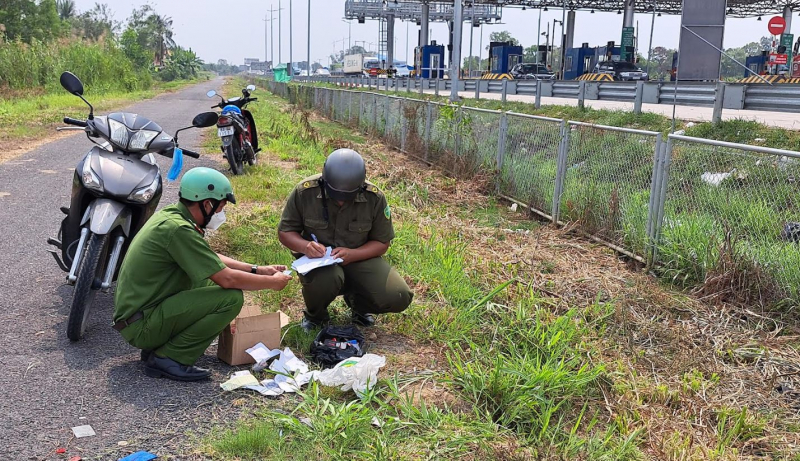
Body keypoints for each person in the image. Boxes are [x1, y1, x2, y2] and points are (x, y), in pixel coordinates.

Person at [112, 167, 291, 382]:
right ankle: (170, 357)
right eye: (220, 208)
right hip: (141, 327)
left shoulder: (173, 217)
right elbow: (228, 279)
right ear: (207, 204)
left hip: (140, 316)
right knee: (230, 298)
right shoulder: (178, 229)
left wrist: (257, 269)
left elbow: (208, 257)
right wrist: (271, 283)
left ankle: (159, 346)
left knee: (209, 281)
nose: (221, 214)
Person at [278, 149, 413, 331]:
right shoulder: (305, 192)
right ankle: (315, 316)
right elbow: (285, 231)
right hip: (319, 262)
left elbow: (382, 243)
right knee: (327, 279)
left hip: (360, 257)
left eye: (348, 196)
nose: (341, 201)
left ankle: (359, 305)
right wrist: (306, 246)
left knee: (398, 295)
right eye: (335, 195)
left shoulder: (374, 197)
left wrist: (354, 254)